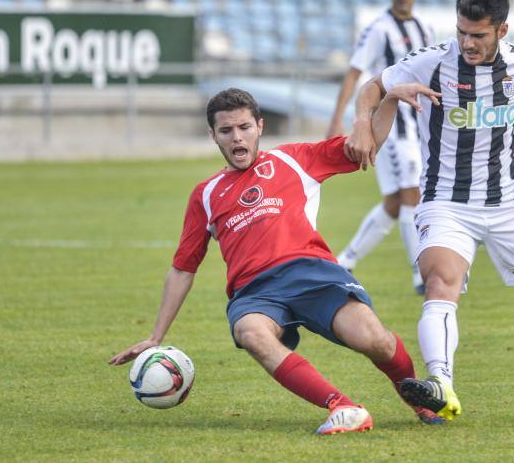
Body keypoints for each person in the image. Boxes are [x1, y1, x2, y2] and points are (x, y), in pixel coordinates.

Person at [109, 88, 444, 434]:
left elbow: (369, 140)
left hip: (312, 273)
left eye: (244, 127)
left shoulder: (294, 159)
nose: (237, 137)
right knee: (250, 332)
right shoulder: (205, 194)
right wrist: (156, 336)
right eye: (226, 131)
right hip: (255, 293)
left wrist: (389, 99)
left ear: (260, 126)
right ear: (213, 136)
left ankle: (416, 394)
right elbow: (183, 268)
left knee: (376, 341)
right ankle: (342, 406)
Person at [345, 0, 514, 424]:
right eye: (463, 32)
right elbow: (371, 86)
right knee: (441, 283)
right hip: (446, 202)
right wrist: (363, 121)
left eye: (478, 35)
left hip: (511, 203)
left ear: (502, 30)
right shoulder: (433, 62)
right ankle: (441, 384)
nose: (468, 42)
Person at [327, 0, 433, 295]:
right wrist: (337, 120)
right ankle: (420, 272)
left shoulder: (423, 28)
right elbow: (354, 73)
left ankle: (344, 260)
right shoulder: (378, 29)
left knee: (393, 202)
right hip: (391, 129)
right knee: (412, 194)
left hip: (417, 127)